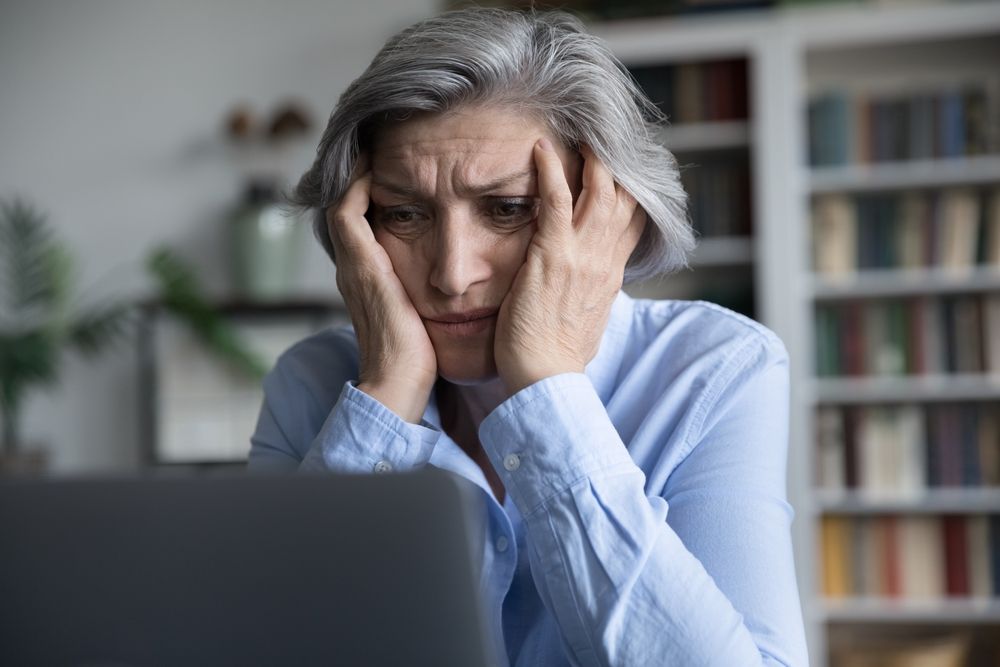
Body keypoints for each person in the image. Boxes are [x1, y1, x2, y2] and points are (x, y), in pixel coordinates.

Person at [249, 7, 808, 666]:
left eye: (508, 209)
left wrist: (547, 386)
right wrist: (387, 397)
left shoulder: (715, 370)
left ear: (607, 212)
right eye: (405, 214)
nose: (453, 273)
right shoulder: (312, 382)